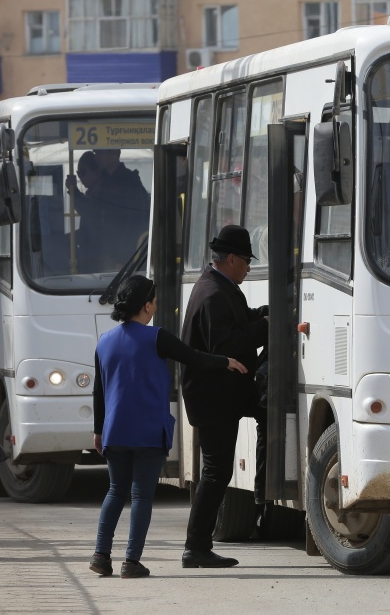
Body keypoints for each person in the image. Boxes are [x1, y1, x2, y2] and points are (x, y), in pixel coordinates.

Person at [89, 276, 247, 579]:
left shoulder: (104, 341)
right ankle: (131, 561)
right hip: (147, 431)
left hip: (114, 431)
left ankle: (100, 554)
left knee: (115, 492)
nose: (156, 305)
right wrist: (226, 361)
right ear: (146, 305)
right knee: (141, 496)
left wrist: (99, 430)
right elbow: (194, 358)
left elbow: (99, 391)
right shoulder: (157, 337)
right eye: (155, 301)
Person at [179, 225, 269, 568]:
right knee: (216, 473)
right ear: (230, 259)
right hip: (214, 398)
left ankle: (199, 544)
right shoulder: (214, 294)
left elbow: (240, 321)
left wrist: (264, 314)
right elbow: (226, 345)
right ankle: (195, 547)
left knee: (264, 411)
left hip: (221, 394)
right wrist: (266, 326)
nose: (248, 267)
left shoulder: (220, 287)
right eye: (246, 261)